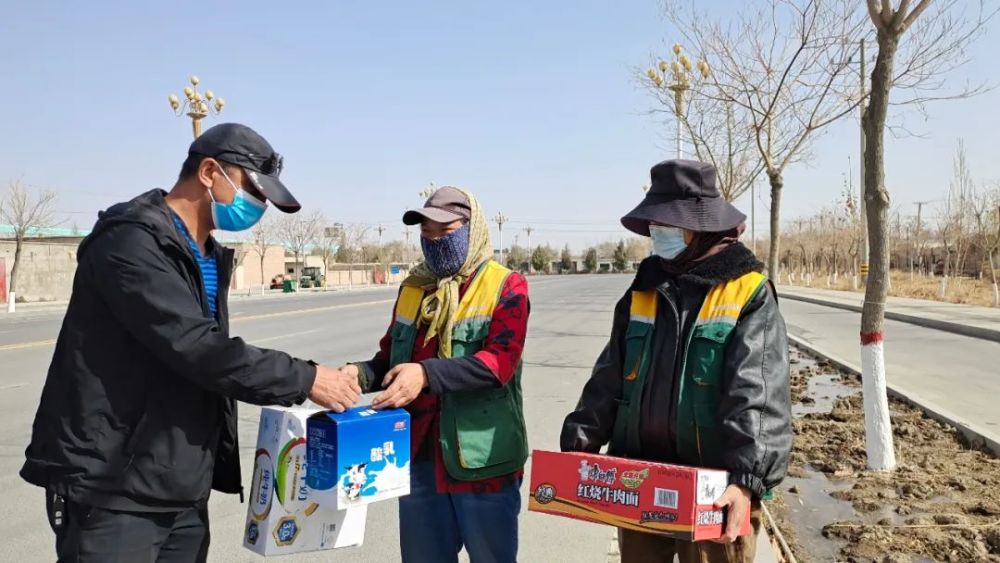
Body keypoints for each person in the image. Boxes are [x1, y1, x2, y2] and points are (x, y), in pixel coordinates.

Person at [21, 123, 361, 563]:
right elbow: (199, 349)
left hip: (176, 486)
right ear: (208, 172)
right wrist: (308, 378)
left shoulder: (204, 252)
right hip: (113, 488)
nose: (258, 207)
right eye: (253, 192)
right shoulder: (131, 243)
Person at [561, 160, 792, 563]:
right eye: (655, 224)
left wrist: (747, 481)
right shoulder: (646, 288)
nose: (657, 234)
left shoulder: (747, 291)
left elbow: (757, 394)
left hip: (714, 491)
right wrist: (580, 441)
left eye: (667, 224)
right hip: (641, 481)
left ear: (700, 228)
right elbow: (611, 374)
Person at [339, 186, 530, 563]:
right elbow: (390, 359)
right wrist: (355, 375)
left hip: (481, 462)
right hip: (419, 460)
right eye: (426, 232)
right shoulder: (414, 289)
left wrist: (425, 375)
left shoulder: (506, 286)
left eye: (445, 231)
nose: (434, 240)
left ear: (471, 229)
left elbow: (499, 364)